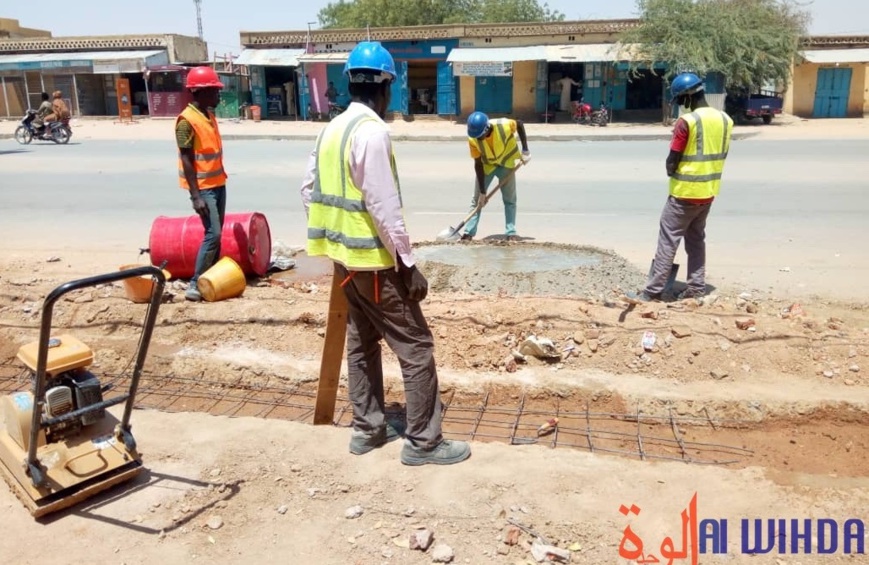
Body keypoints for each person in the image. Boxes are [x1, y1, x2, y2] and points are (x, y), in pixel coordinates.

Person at [300, 41, 471, 467]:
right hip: (375, 264)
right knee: (416, 347)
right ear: (385, 85)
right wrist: (408, 264)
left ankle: (367, 429)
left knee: (362, 344)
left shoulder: (331, 130)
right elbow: (383, 205)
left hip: (344, 262)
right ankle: (423, 443)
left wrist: (340, 240)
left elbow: (308, 192)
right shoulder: (372, 132)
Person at [627, 72, 734, 303]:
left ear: (687, 97)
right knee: (696, 240)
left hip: (684, 193)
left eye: (680, 101)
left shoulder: (687, 122)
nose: (681, 106)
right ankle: (696, 287)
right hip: (708, 192)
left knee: (668, 240)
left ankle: (652, 291)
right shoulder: (726, 120)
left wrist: (674, 167)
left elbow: (671, 162)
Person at [175, 66, 228, 302]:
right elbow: (187, 159)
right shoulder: (186, 121)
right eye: (214, 91)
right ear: (200, 91)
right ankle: (196, 283)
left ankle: (213, 278)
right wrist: (195, 196)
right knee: (213, 234)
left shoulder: (208, 115)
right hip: (204, 189)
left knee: (218, 234)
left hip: (218, 183)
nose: (218, 95)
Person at [461, 111, 530, 242]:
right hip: (488, 166)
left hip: (506, 163)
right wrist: (482, 192)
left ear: (487, 128)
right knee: (477, 201)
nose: (478, 138)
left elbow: (520, 124)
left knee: (510, 200)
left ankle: (511, 232)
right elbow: (477, 163)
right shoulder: (472, 138)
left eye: (480, 135)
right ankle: (468, 232)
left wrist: (525, 149)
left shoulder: (504, 125)